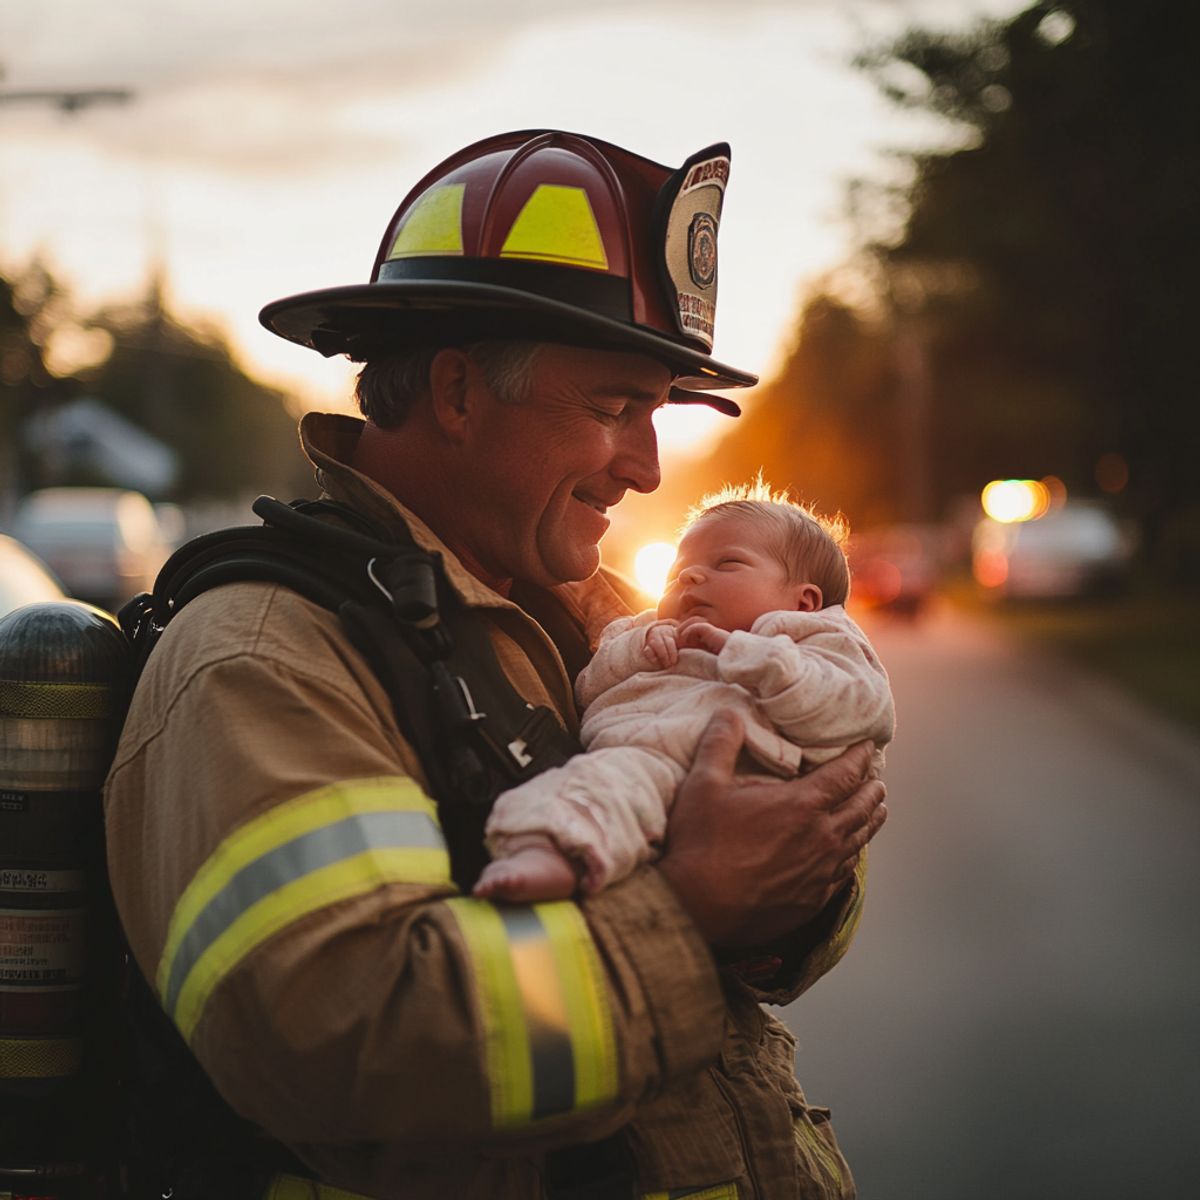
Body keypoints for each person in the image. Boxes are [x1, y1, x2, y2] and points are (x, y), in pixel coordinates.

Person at [104, 130, 888, 1200]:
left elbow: (792, 894)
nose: (647, 469)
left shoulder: (593, 616)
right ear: (460, 393)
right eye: (614, 408)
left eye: (658, 412)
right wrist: (691, 911)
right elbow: (353, 1048)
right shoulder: (266, 658)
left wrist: (784, 888)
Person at [476, 486, 895, 902]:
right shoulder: (645, 630)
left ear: (803, 601)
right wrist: (640, 648)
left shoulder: (820, 638)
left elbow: (863, 710)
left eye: (727, 563)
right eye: (676, 573)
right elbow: (589, 688)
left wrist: (751, 656)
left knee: (612, 797)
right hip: (649, 760)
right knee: (590, 791)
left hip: (765, 774)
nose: (689, 577)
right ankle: (545, 857)